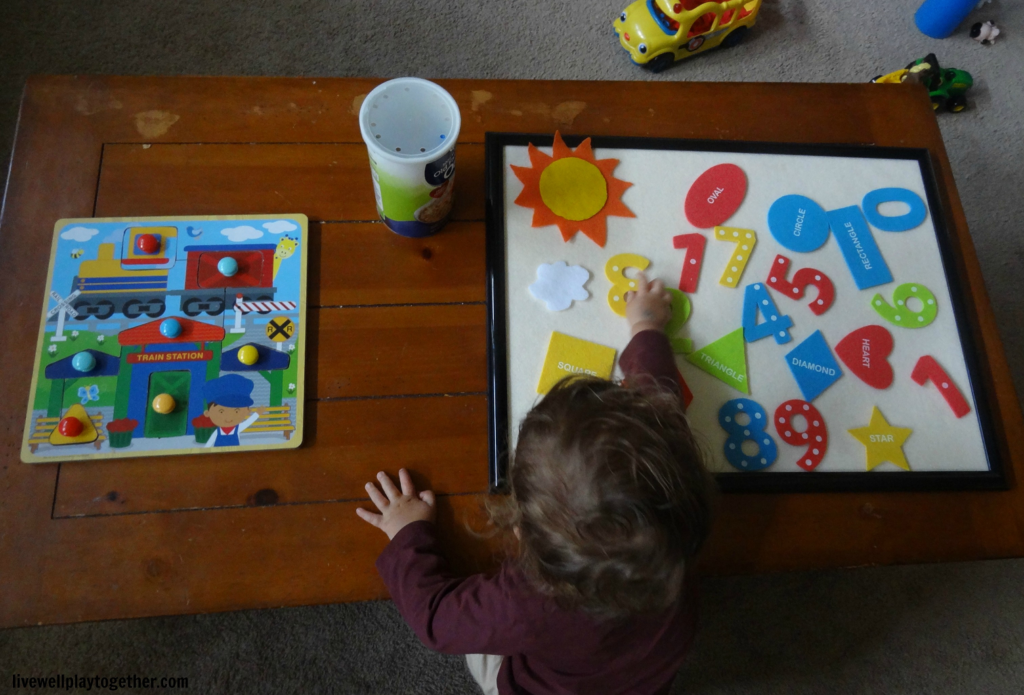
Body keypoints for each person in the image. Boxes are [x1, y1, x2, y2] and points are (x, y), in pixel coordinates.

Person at [356, 272, 716, 695]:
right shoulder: (673, 514)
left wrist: (407, 532)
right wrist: (647, 330)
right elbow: (660, 412)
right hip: (646, 676)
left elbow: (436, 620)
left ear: (520, 529)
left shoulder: (528, 602)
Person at [202, 374, 267, 448]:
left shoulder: (238, 428)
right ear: (207, 413)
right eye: (221, 411)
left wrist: (257, 414)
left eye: (236, 411)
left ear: (247, 411)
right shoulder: (217, 432)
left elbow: (248, 422)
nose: (229, 417)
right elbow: (209, 443)